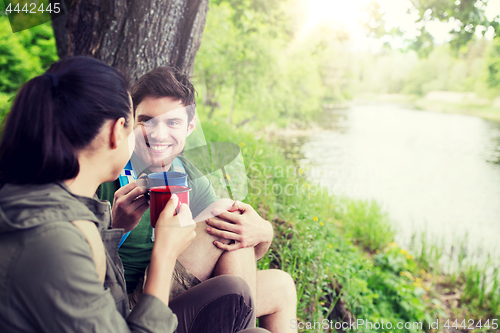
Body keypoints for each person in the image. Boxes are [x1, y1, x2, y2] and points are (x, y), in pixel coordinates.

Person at [0, 56, 269, 333]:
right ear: (118, 132)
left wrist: (115, 228)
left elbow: (102, 295)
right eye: (138, 123)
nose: (153, 135)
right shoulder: (55, 237)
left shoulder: (52, 206)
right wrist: (165, 252)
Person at [99, 66, 298, 332]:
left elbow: (236, 249)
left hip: (171, 292)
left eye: (173, 123)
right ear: (131, 120)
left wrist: (264, 232)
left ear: (190, 126)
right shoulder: (107, 171)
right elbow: (76, 262)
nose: (158, 134)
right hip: (129, 307)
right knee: (223, 212)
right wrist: (114, 226)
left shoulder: (186, 174)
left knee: (281, 286)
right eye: (147, 121)